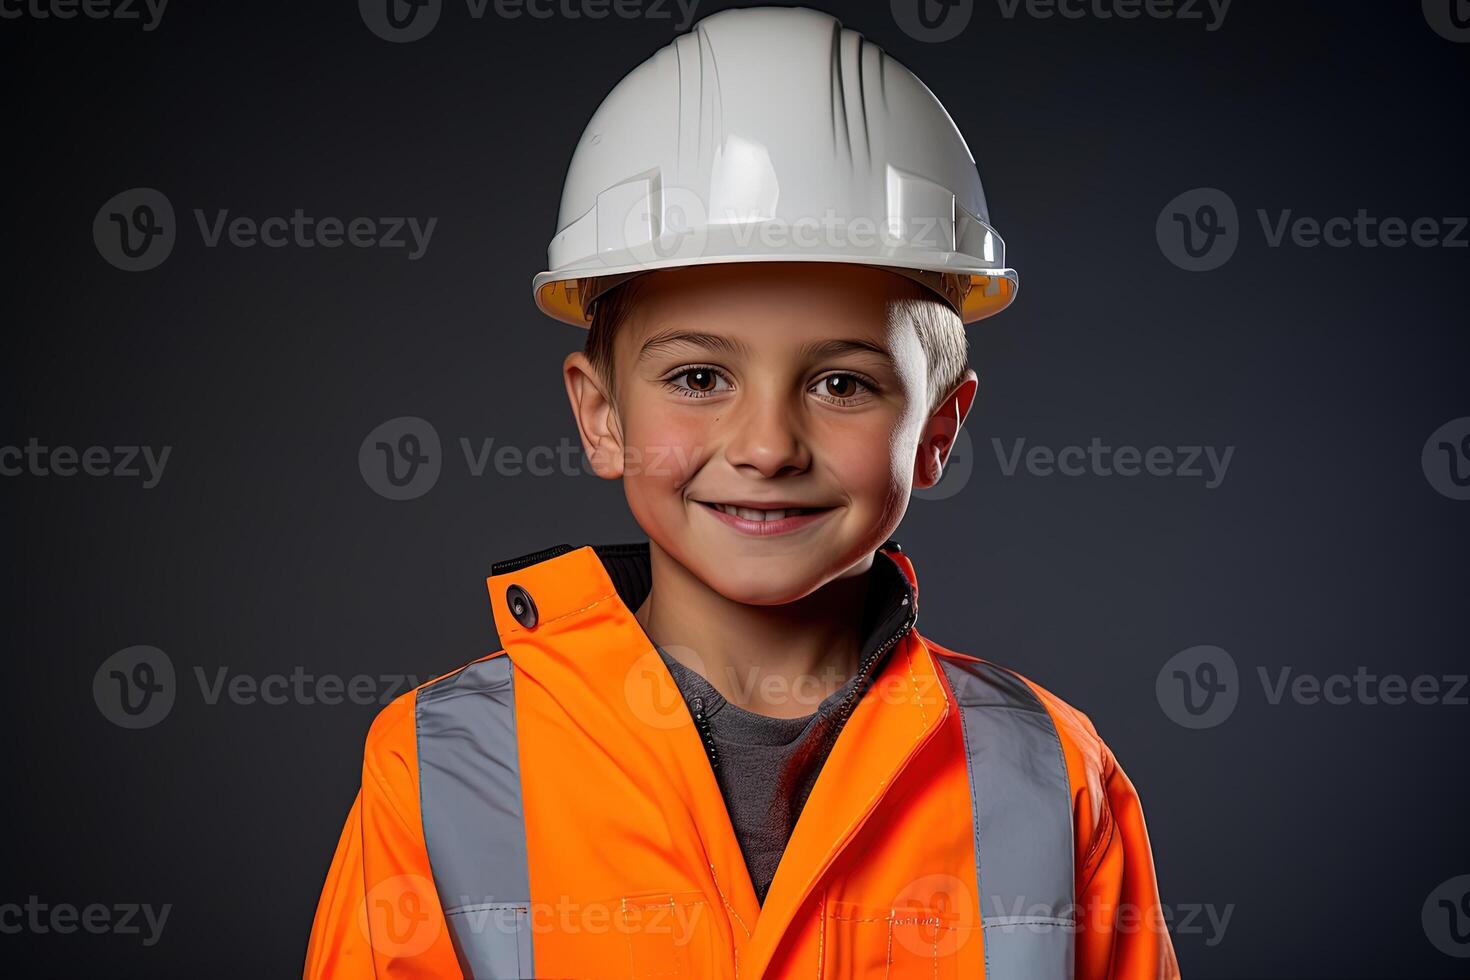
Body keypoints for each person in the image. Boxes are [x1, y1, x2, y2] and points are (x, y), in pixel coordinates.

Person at [304, 7, 1181, 978]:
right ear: (601, 417)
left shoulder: (1051, 773)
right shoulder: (439, 767)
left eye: (843, 382)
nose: (767, 446)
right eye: (697, 377)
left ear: (938, 427)